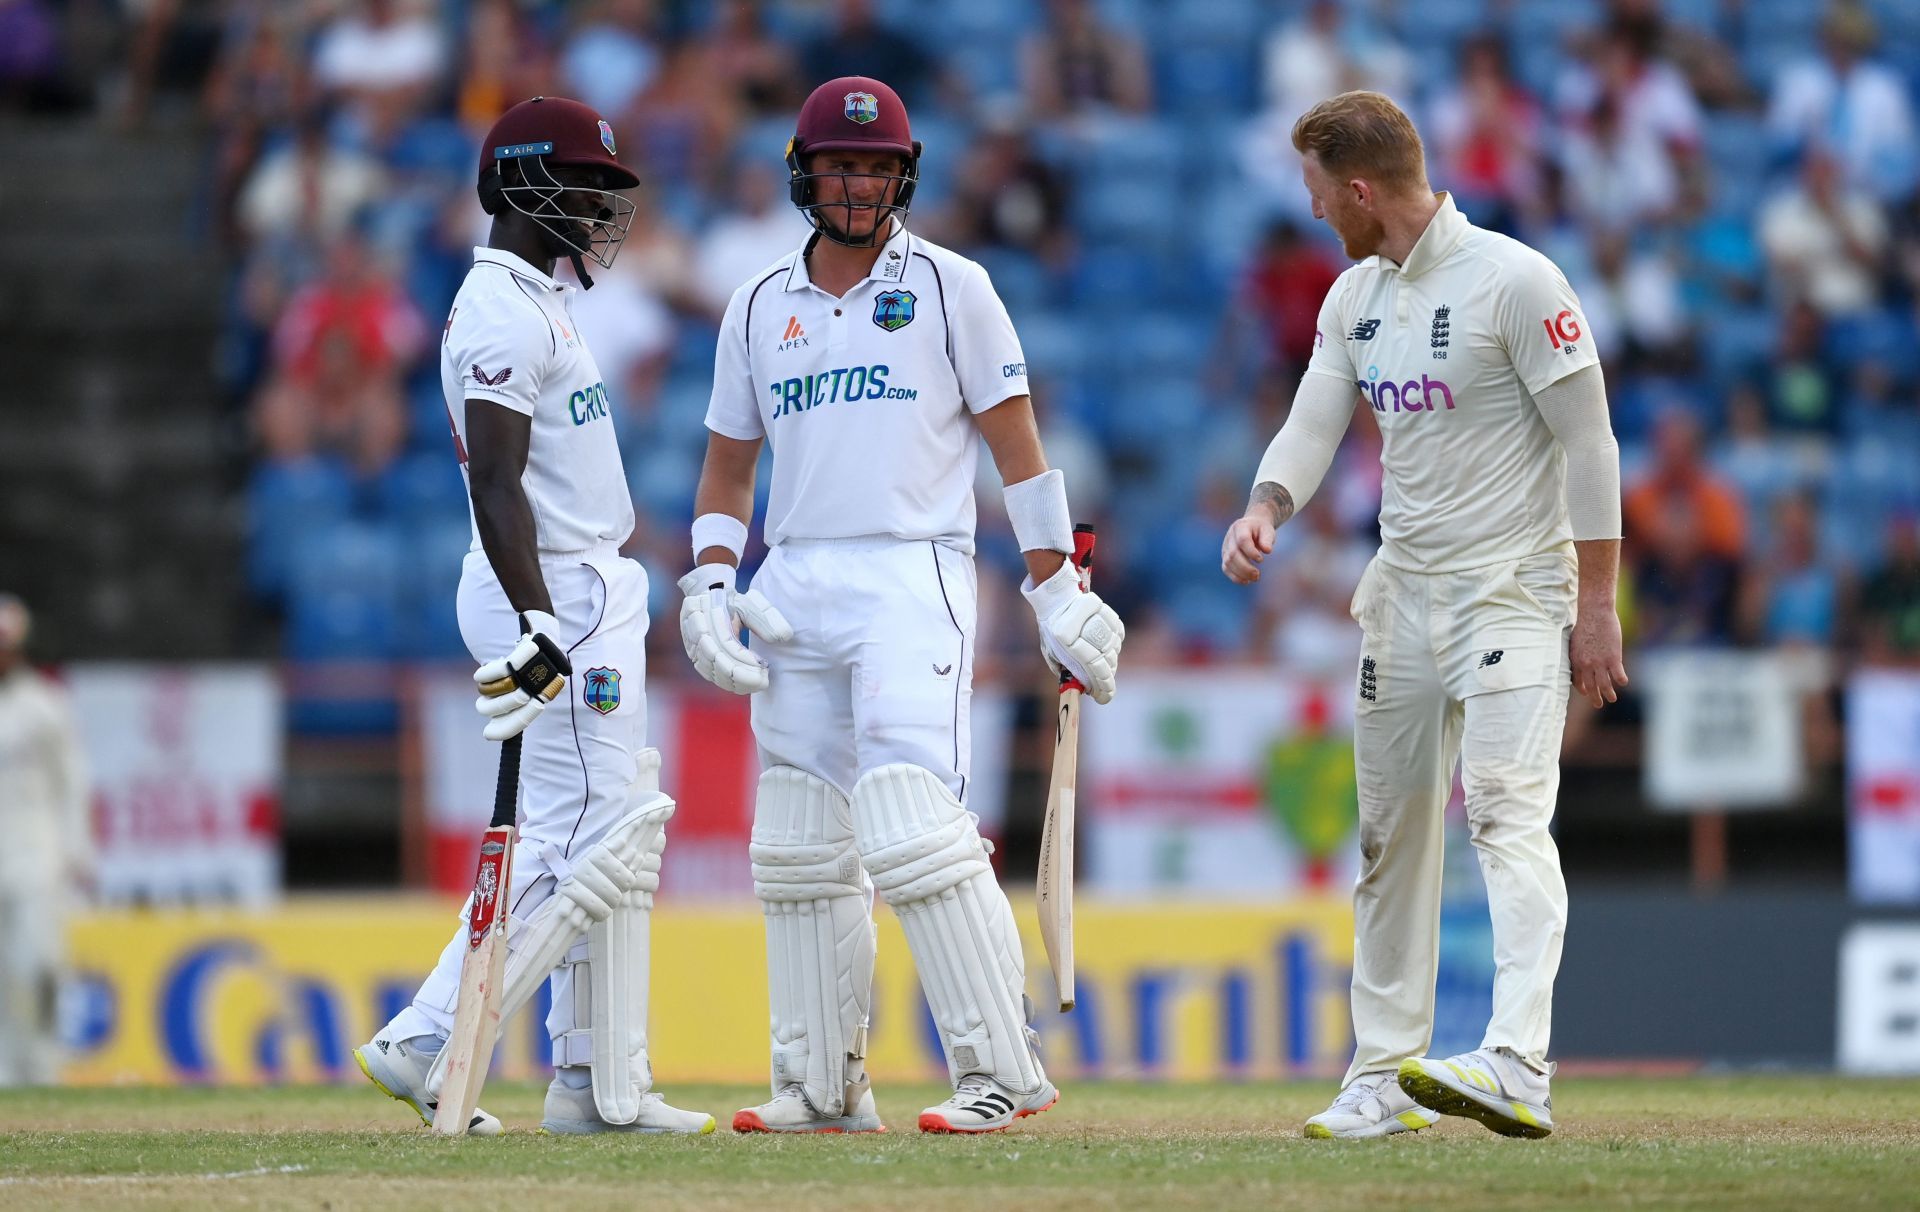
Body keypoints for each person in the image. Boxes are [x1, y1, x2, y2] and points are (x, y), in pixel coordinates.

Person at [683, 76, 1124, 1135]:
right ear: (804, 173)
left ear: (904, 175)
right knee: (795, 839)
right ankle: (822, 1087)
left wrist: (1054, 584)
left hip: (911, 570)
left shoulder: (952, 287)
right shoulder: (754, 305)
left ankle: (1001, 1072)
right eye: (839, 164)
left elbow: (1018, 448)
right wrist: (706, 582)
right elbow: (728, 472)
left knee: (911, 821)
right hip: (792, 579)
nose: (857, 184)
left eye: (875, 167)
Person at [1220, 92, 1626, 1140]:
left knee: (1501, 810)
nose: (1314, 215)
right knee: (1388, 838)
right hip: (1401, 597)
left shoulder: (1517, 281)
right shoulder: (1353, 297)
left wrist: (1597, 604)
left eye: (1320, 196)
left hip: (1513, 593)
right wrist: (1267, 507)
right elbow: (1314, 419)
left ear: (1361, 190)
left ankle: (1518, 1064)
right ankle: (1384, 1078)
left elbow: (1591, 445)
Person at [352, 95, 711, 1137]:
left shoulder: (534, 297)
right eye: (584, 183)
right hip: (551, 584)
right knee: (595, 845)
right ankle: (433, 1036)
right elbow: (498, 483)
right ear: (518, 185)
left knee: (589, 832)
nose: (602, 204)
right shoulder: (504, 308)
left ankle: (590, 1088)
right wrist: (541, 620)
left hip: (575, 580)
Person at [0, 595, 91, 1086]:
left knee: (39, 964)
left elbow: (72, 781)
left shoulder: (44, 706)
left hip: (35, 854)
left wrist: (78, 849)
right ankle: (5, 1073)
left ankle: (41, 1067)